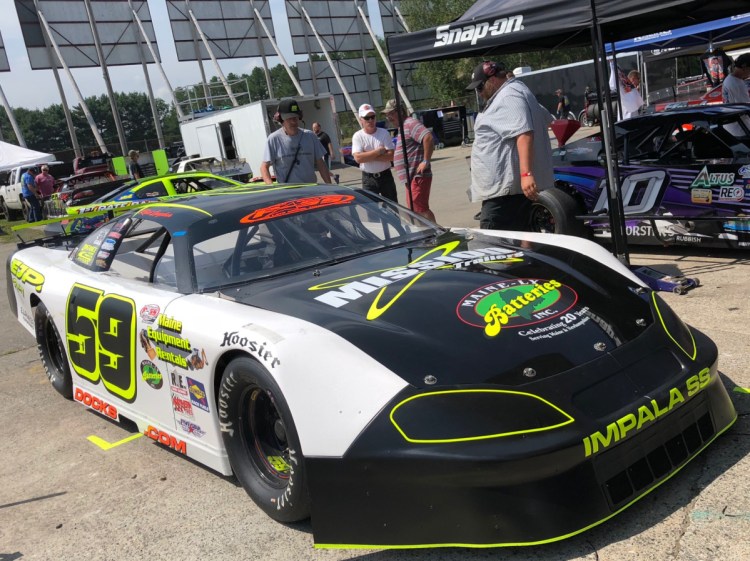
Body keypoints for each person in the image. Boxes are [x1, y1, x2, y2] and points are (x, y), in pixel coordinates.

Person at [466, 60, 554, 231]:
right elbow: (546, 118)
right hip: (508, 193)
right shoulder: (515, 92)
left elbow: (524, 133)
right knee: (517, 245)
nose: (479, 93)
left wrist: (526, 173)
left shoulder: (509, 96)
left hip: (505, 196)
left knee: (494, 247)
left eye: (480, 88)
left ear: (491, 80)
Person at [382, 98, 436, 221]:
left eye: (391, 113)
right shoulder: (403, 127)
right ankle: (427, 233)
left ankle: (436, 233)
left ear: (400, 112)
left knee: (420, 208)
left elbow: (427, 137)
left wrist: (425, 161)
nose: (388, 117)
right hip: (411, 178)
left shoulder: (410, 123)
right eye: (387, 115)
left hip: (417, 175)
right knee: (414, 209)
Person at [261, 98, 332, 184]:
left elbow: (321, 164)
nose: (293, 121)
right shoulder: (273, 139)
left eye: (295, 117)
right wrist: (272, 189)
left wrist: (330, 186)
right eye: (289, 118)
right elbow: (264, 167)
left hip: (310, 189)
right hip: (287, 192)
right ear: (281, 120)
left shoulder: (310, 136)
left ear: (300, 117)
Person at [351, 103, 397, 202]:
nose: (370, 120)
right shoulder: (358, 136)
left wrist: (367, 155)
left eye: (372, 117)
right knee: (372, 213)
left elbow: (392, 156)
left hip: (386, 176)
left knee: (392, 210)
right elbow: (358, 159)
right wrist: (378, 151)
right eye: (367, 118)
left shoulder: (384, 133)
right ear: (361, 120)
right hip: (369, 178)